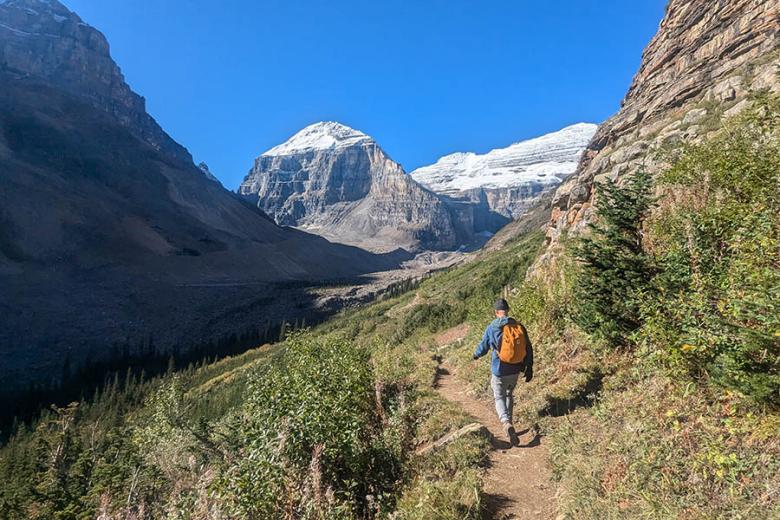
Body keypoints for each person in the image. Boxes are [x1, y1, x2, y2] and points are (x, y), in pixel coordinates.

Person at [472, 298, 533, 446]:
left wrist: (476, 355)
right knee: (509, 395)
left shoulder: (492, 327)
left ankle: (506, 423)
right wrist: (529, 367)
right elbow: (528, 347)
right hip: (515, 369)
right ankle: (510, 422)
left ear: (496, 312)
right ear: (508, 311)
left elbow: (484, 346)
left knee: (499, 396)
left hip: (499, 369)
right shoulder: (518, 326)